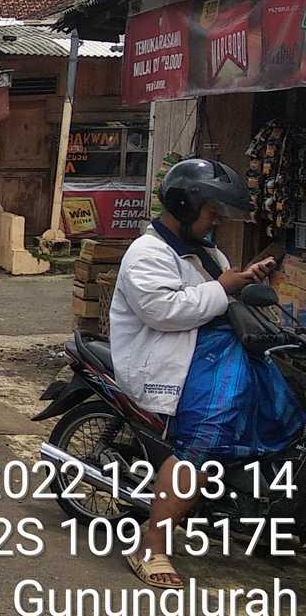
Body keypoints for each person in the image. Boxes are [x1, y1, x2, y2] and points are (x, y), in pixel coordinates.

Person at [109, 158, 286, 590]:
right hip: (166, 363)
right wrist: (224, 287)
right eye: (211, 212)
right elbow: (164, 310)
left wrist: (242, 280)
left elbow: (217, 295)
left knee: (279, 410)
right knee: (207, 439)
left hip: (209, 357)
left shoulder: (206, 251)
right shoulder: (147, 253)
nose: (216, 222)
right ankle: (150, 545)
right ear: (185, 206)